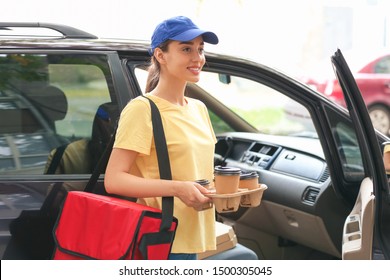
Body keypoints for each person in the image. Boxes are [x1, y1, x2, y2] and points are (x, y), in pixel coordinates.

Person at [104, 16, 219, 260]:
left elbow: (196, 171)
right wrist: (178, 188)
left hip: (195, 236)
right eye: (186, 49)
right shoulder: (142, 109)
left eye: (200, 49)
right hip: (161, 237)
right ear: (160, 55)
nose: (197, 57)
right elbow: (114, 180)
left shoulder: (198, 108)